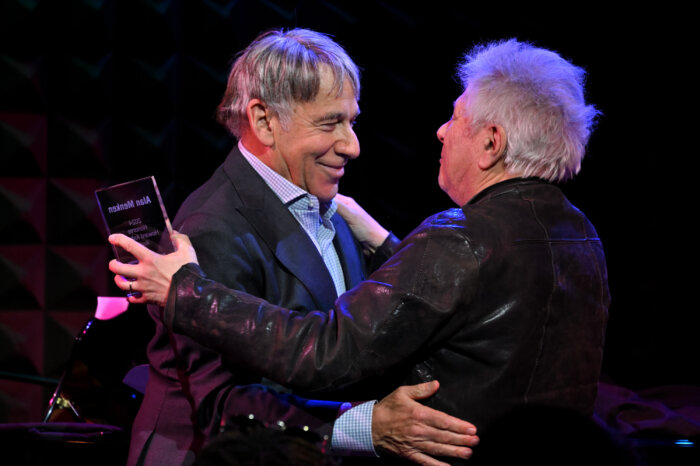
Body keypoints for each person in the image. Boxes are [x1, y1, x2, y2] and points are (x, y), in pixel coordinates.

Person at [112, 38, 609, 463]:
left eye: (350, 122)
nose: (352, 146)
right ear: (264, 121)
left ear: (492, 143)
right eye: (331, 124)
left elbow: (352, 342)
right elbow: (218, 406)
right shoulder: (581, 233)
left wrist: (188, 293)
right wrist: (363, 427)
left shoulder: (435, 235)